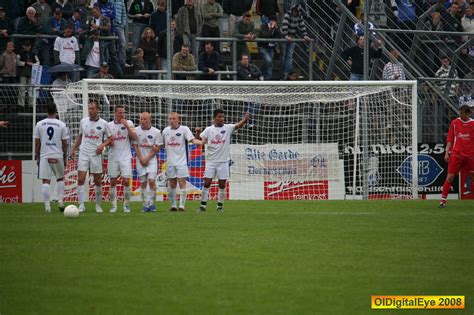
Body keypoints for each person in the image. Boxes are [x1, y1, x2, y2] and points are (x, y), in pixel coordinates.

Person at [196, 109, 249, 212]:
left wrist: (245, 119)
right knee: (207, 183)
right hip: (211, 161)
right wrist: (198, 133)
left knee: (222, 184)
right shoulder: (208, 129)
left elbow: (238, 125)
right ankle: (203, 206)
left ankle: (220, 206)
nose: (222, 119)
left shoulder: (228, 128)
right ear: (214, 118)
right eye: (219, 117)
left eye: (223, 117)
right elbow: (201, 141)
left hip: (223, 161)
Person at [71, 100, 113, 213]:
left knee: (98, 181)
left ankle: (98, 205)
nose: (90, 111)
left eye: (93, 108)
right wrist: (74, 149)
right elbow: (80, 137)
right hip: (83, 153)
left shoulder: (104, 124)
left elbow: (110, 139)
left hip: (96, 155)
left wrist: (102, 146)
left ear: (98, 110)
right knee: (80, 179)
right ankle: (81, 205)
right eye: (89, 108)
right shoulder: (83, 121)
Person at [162, 112, 202, 212]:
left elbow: (192, 140)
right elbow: (162, 144)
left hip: (182, 161)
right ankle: (173, 205)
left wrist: (201, 142)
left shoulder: (184, 129)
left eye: (173, 119)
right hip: (170, 162)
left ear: (178, 120)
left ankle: (182, 205)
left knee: (182, 182)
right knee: (172, 184)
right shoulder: (165, 131)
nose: (171, 121)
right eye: (170, 119)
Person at [34, 103, 69, 213]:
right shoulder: (61, 124)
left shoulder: (39, 124)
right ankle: (60, 200)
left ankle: (47, 206)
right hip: (58, 155)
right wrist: (65, 156)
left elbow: (37, 142)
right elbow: (65, 143)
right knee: (60, 178)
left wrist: (37, 155)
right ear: (56, 111)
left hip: (45, 155)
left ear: (46, 111)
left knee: (46, 181)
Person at [439, 104, 474, 208]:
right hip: (456, 155)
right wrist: (446, 152)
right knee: (450, 177)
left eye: (462, 113)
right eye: (460, 113)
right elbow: (450, 139)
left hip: (470, 155)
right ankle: (443, 201)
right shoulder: (455, 123)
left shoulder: (473, 124)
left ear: (468, 113)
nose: (460, 115)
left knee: (472, 177)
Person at [107, 105, 137, 213]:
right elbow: (106, 141)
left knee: (126, 181)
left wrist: (127, 127)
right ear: (115, 113)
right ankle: (113, 205)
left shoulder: (129, 123)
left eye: (123, 112)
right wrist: (109, 142)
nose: (122, 115)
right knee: (113, 181)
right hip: (113, 157)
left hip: (125, 156)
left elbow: (134, 137)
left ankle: (126, 205)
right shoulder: (109, 125)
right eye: (120, 112)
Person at [133, 112, 162, 212]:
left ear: (150, 120)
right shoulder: (135, 131)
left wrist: (147, 158)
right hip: (140, 160)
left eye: (145, 119)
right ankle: (145, 205)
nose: (143, 121)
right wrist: (141, 158)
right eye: (141, 119)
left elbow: (158, 148)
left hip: (152, 160)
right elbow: (135, 146)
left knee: (151, 181)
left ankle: (152, 204)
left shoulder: (156, 132)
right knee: (143, 183)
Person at [280, 4, 310, 80]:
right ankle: (284, 72)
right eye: (294, 11)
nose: (295, 12)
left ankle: (287, 74)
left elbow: (302, 26)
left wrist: (305, 35)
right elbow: (284, 25)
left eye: (296, 11)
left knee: (289, 56)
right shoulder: (288, 14)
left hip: (293, 37)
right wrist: (286, 36)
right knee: (283, 56)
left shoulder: (300, 16)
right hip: (284, 37)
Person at [257, 15, 281, 80]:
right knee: (269, 61)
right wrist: (271, 28)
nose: (273, 22)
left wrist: (276, 29)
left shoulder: (276, 27)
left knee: (269, 63)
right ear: (269, 21)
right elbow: (266, 36)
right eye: (272, 21)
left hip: (271, 48)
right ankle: (267, 78)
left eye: (274, 21)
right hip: (263, 47)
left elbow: (280, 36)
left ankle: (260, 74)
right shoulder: (263, 26)